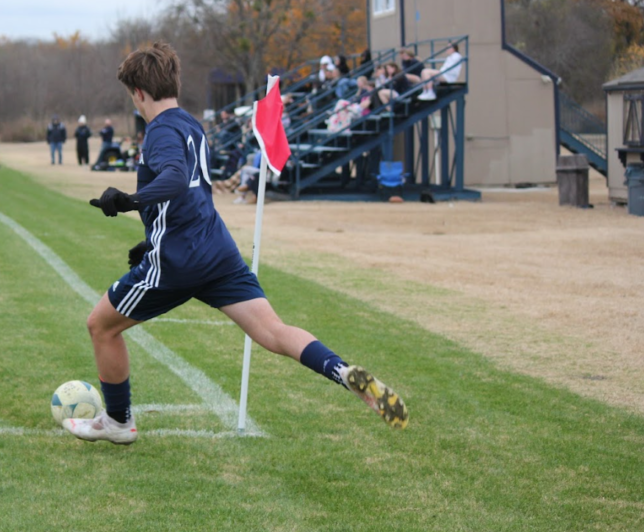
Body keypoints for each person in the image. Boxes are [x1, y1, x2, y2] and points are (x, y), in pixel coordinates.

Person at [64, 41, 409, 445]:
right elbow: (193, 193)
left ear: (138, 92)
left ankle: (118, 423)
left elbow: (174, 178)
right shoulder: (192, 125)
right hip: (215, 250)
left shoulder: (158, 131)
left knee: (101, 327)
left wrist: (129, 202)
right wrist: (150, 236)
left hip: (178, 259)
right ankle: (342, 371)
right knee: (273, 332)